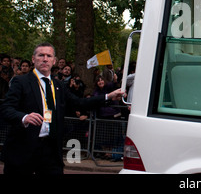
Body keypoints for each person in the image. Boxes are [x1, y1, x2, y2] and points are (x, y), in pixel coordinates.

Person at [0, 42, 124, 174]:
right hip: (23, 148)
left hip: (51, 150)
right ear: (33, 59)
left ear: (54, 61)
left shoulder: (59, 85)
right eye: (41, 55)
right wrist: (24, 117)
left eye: (49, 56)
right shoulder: (21, 82)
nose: (45, 59)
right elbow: (6, 108)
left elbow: (80, 103)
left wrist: (108, 96)